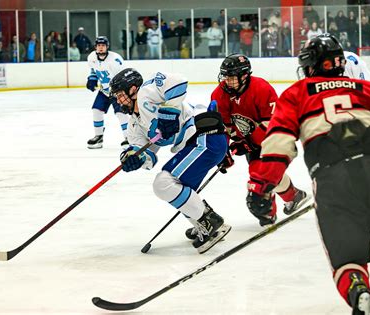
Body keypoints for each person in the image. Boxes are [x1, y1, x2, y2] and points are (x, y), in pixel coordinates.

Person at [246, 34, 370, 315]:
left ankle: (358, 289)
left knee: (347, 260)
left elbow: (279, 140)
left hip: (334, 179)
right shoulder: (365, 88)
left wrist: (263, 186)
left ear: (310, 66)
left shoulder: (297, 93)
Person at [109, 68, 232, 254]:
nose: (118, 101)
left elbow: (179, 81)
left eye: (120, 95)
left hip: (205, 136)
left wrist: (170, 110)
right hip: (198, 143)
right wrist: (133, 158)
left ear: (132, 89)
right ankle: (204, 223)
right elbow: (146, 153)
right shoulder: (133, 123)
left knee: (164, 184)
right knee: (177, 189)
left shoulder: (146, 92)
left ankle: (210, 222)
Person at [211, 54, 309, 227]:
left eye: (232, 77)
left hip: (270, 140)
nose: (227, 81)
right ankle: (293, 196)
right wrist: (222, 151)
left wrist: (248, 142)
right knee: (262, 173)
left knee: (260, 174)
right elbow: (221, 128)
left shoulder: (261, 88)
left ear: (244, 75)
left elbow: (274, 125)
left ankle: (268, 214)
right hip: (247, 138)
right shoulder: (219, 94)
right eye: (225, 76)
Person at [86, 36, 129, 149]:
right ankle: (98, 136)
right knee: (96, 110)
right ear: (95, 47)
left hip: (117, 92)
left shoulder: (115, 59)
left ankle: (129, 138)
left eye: (103, 46)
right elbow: (93, 70)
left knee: (121, 114)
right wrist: (92, 79)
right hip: (104, 91)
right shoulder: (91, 57)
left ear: (107, 47)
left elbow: (123, 76)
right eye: (99, 46)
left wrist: (121, 91)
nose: (101, 48)